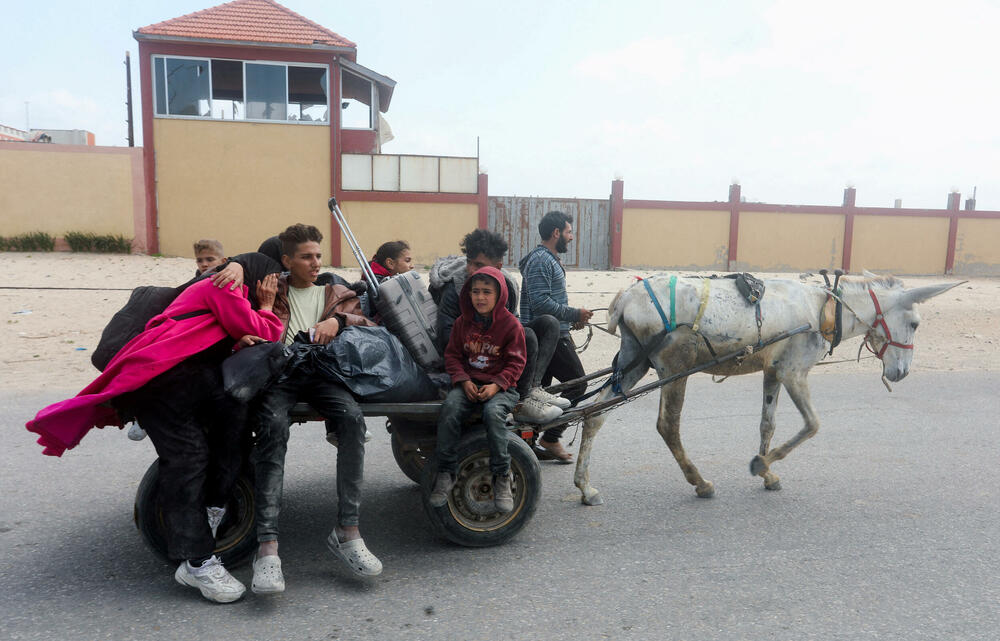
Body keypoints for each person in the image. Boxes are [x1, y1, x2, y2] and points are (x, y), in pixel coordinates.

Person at [26, 254, 284, 603]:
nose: (272, 289)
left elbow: (238, 333)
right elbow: (269, 332)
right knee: (188, 459)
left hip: (194, 377)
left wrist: (243, 337)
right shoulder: (222, 285)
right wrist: (265, 307)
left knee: (233, 426)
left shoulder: (227, 289)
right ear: (257, 280)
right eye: (268, 283)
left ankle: (211, 508)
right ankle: (196, 563)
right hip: (161, 377)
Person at [250, 223, 381, 595]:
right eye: (306, 256)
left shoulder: (335, 291)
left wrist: (337, 320)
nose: (315, 262)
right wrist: (263, 309)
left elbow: (369, 321)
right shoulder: (271, 289)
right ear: (287, 260)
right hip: (281, 374)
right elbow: (251, 327)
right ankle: (268, 548)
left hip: (323, 372)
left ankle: (348, 531)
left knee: (353, 423)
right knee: (273, 429)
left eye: (318, 256)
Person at [429, 230, 568, 429]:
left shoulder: (506, 284)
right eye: (469, 262)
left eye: (478, 265)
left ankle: (532, 389)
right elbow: (447, 337)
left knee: (549, 323)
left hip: (500, 349)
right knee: (527, 335)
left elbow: (512, 322)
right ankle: (521, 401)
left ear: (498, 267)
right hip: (473, 356)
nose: (470, 269)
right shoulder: (456, 288)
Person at [430, 267, 526, 513]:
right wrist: (463, 381)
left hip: (502, 387)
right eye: (475, 292)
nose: (480, 297)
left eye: (486, 292)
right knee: (450, 409)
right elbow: (452, 355)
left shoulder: (511, 325)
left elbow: (517, 362)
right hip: (469, 385)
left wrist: (497, 385)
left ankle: (502, 476)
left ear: (499, 295)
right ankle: (446, 471)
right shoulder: (463, 323)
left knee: (493, 415)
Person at [518, 211, 593, 463]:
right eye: (569, 232)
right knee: (578, 385)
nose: (571, 238)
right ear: (556, 233)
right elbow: (540, 304)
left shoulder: (549, 259)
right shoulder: (541, 260)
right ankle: (551, 437)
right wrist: (574, 313)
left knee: (539, 394)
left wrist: (572, 320)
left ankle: (524, 447)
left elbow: (548, 301)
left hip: (552, 334)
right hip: (547, 336)